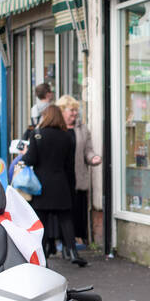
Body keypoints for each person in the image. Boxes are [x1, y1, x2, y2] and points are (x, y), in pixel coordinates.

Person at [22, 103, 85, 267]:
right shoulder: (67, 137)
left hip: (41, 185)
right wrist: (71, 186)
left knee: (40, 222)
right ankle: (73, 252)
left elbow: (30, 160)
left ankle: (42, 256)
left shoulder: (37, 135)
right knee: (65, 219)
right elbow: (69, 165)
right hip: (61, 183)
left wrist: (24, 153)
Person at [59, 95, 100, 248]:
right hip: (62, 176)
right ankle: (63, 240)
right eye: (72, 110)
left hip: (78, 175)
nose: (75, 113)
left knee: (78, 208)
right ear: (62, 111)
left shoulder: (82, 128)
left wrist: (93, 158)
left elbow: (88, 150)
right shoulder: (56, 128)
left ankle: (78, 239)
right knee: (63, 209)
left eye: (76, 110)